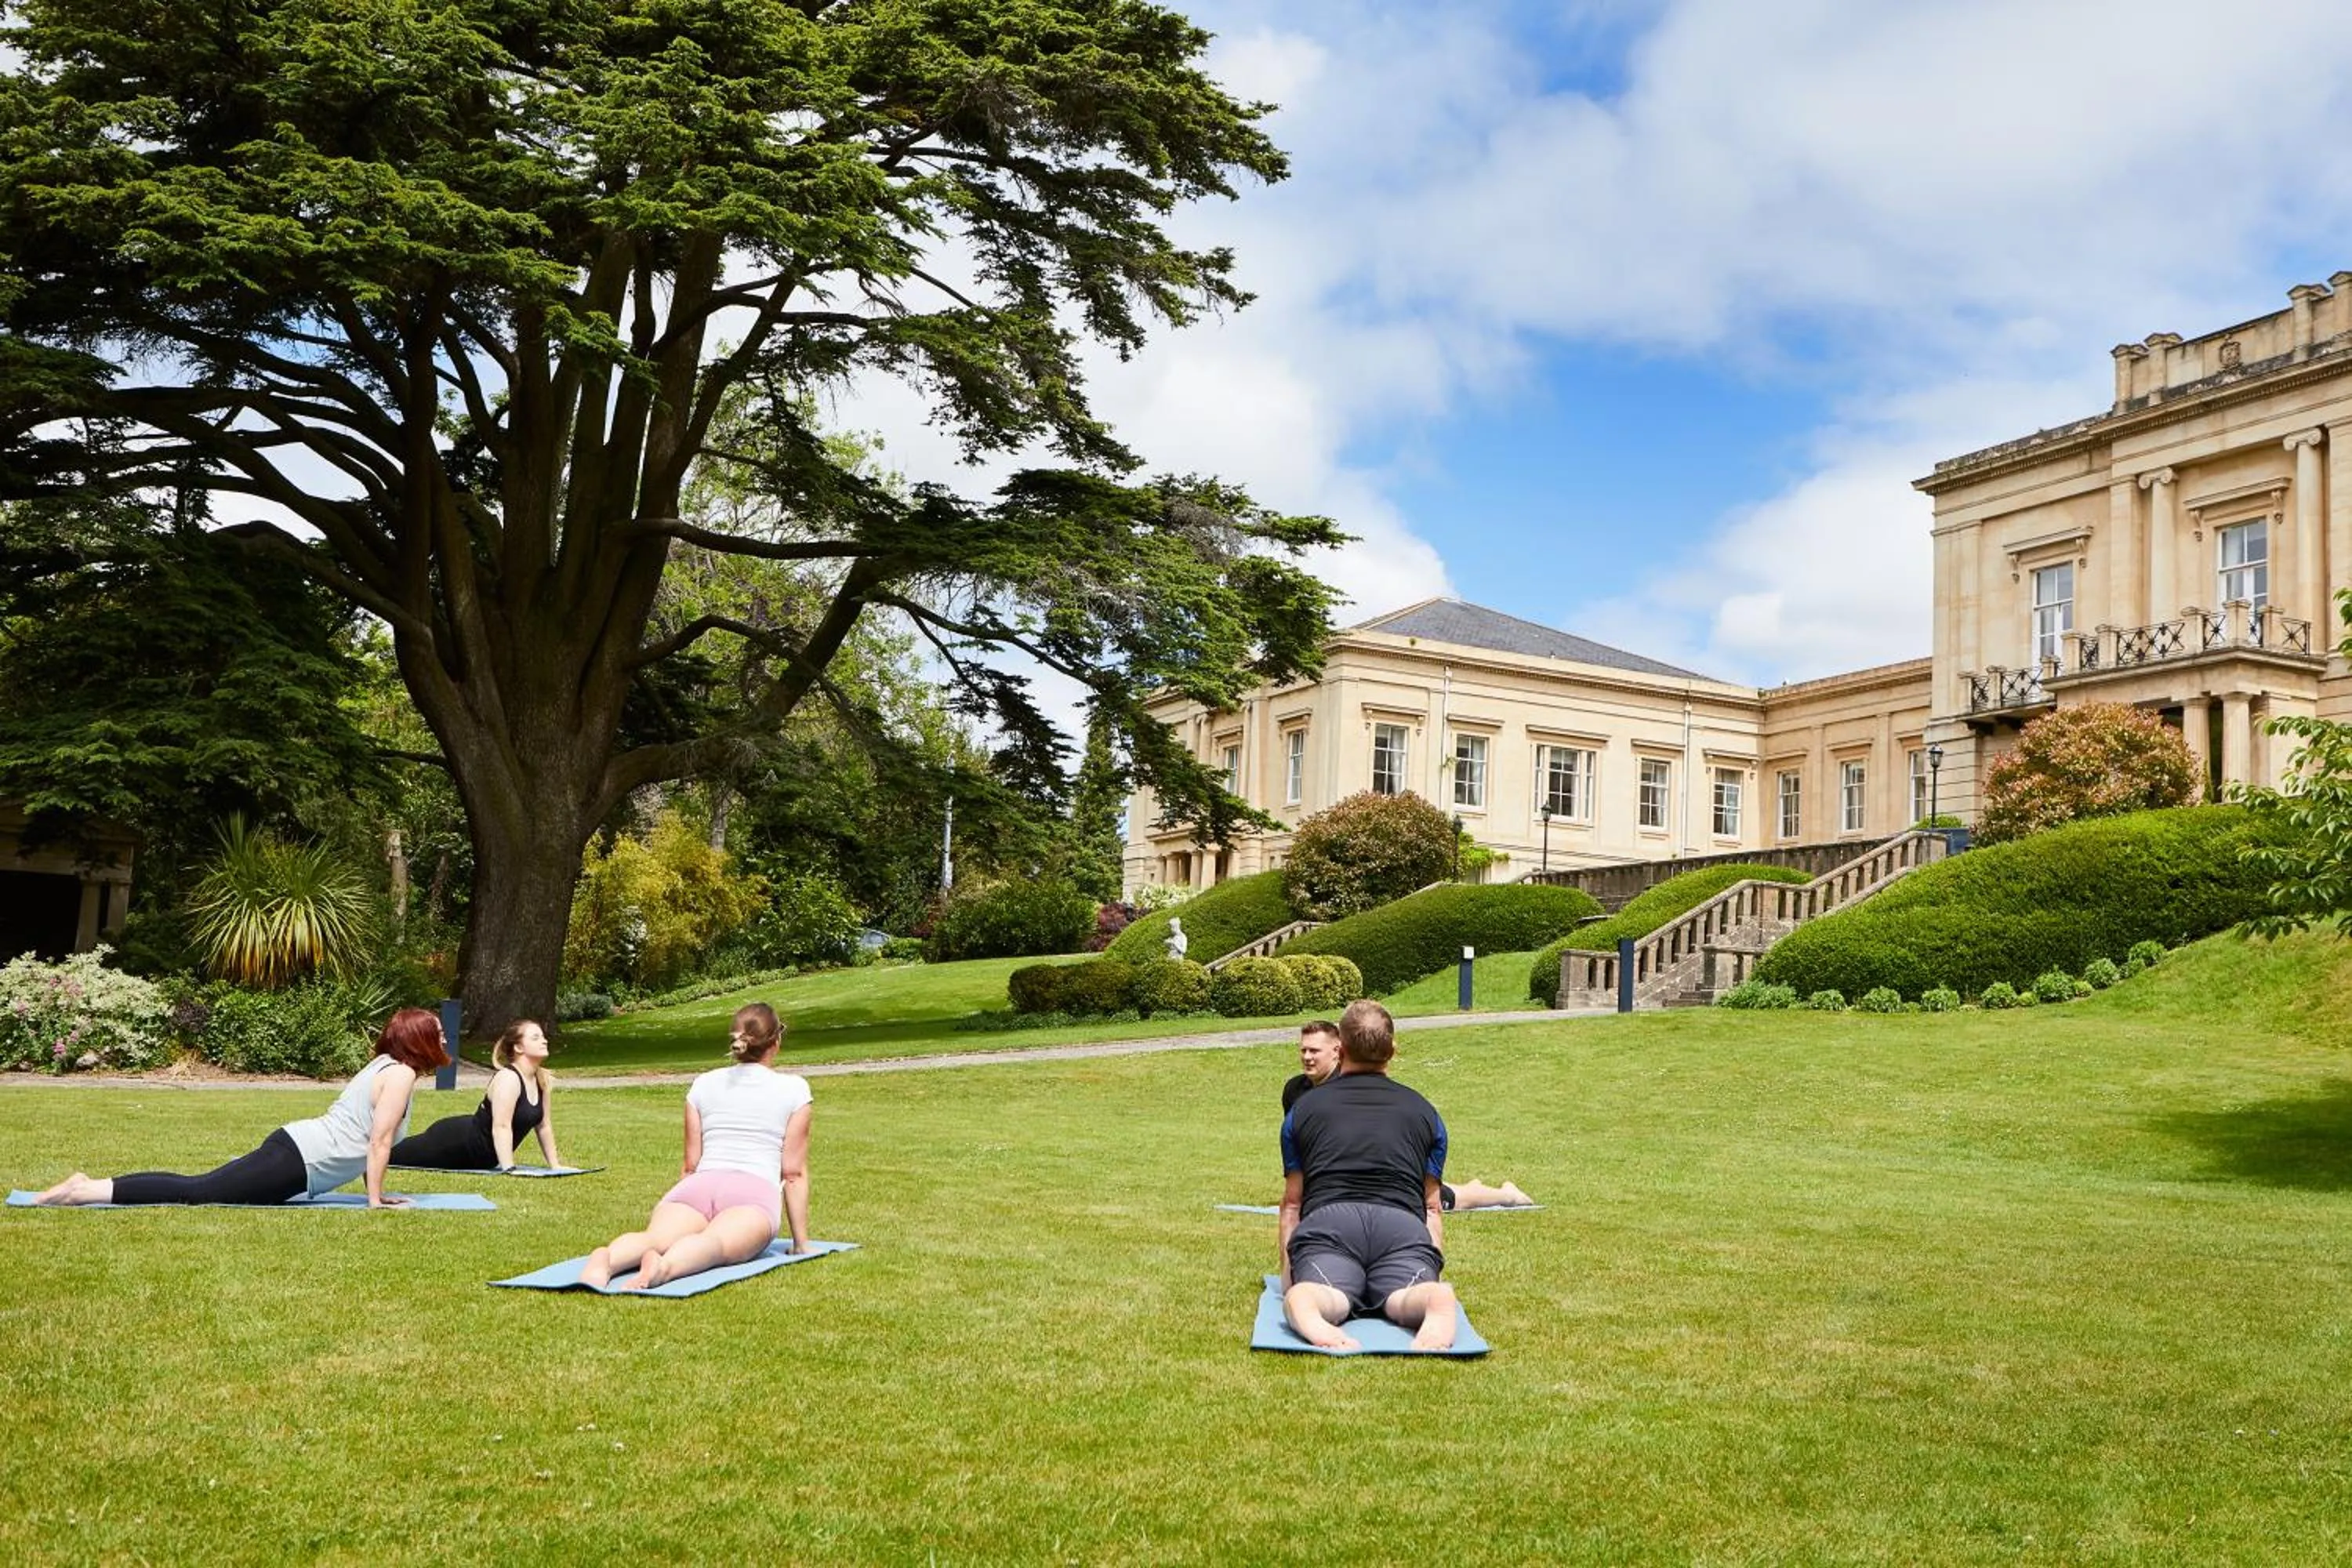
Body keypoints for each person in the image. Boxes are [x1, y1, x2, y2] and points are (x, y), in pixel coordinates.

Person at [33, 1009, 449, 1209]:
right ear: (419, 1041)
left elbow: (366, 1138)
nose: (445, 1040)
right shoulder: (401, 1076)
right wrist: (374, 1202)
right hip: (300, 1159)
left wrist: (374, 1194)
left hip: (297, 1150)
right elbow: (377, 1142)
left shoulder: (386, 1066)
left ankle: (88, 1185)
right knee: (197, 1193)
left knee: (198, 1185)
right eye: (439, 1034)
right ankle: (85, 1191)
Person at [580, 1002, 811, 1290]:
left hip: (699, 1185)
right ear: (776, 1041)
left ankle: (608, 1258)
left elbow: (690, 1164)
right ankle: (663, 1269)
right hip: (752, 1193)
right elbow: (793, 1173)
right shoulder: (795, 1089)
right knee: (715, 1243)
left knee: (656, 1238)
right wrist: (800, 1243)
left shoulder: (704, 1083)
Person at [1278, 999, 1458, 1350]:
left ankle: (1308, 1303)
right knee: (1405, 1295)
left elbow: (1291, 1205)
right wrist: (1431, 1261)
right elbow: (1433, 1208)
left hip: (1329, 1225)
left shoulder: (1303, 1110)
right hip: (1401, 1226)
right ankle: (1431, 1297)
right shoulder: (1425, 1112)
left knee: (1325, 1294)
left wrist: (1289, 1275)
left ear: (1341, 1050)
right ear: (1393, 1050)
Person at [1280, 1020, 1534, 1212]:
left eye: (1314, 1051)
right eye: (1303, 1051)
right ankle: (1477, 1187)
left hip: (1383, 1179)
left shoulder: (1353, 1085)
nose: (1307, 1057)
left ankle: (1507, 1196)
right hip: (1334, 1185)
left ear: (1338, 1051)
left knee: (1451, 1200)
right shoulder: (1294, 1091)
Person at [390, 1019, 564, 1171]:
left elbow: (544, 1126)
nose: (544, 1041)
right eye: (536, 1038)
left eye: (542, 1036)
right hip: (457, 1142)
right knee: (391, 1156)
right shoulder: (509, 1078)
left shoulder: (541, 1079)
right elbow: (501, 1126)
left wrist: (555, 1166)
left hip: (482, 1157)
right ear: (518, 1047)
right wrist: (508, 1167)